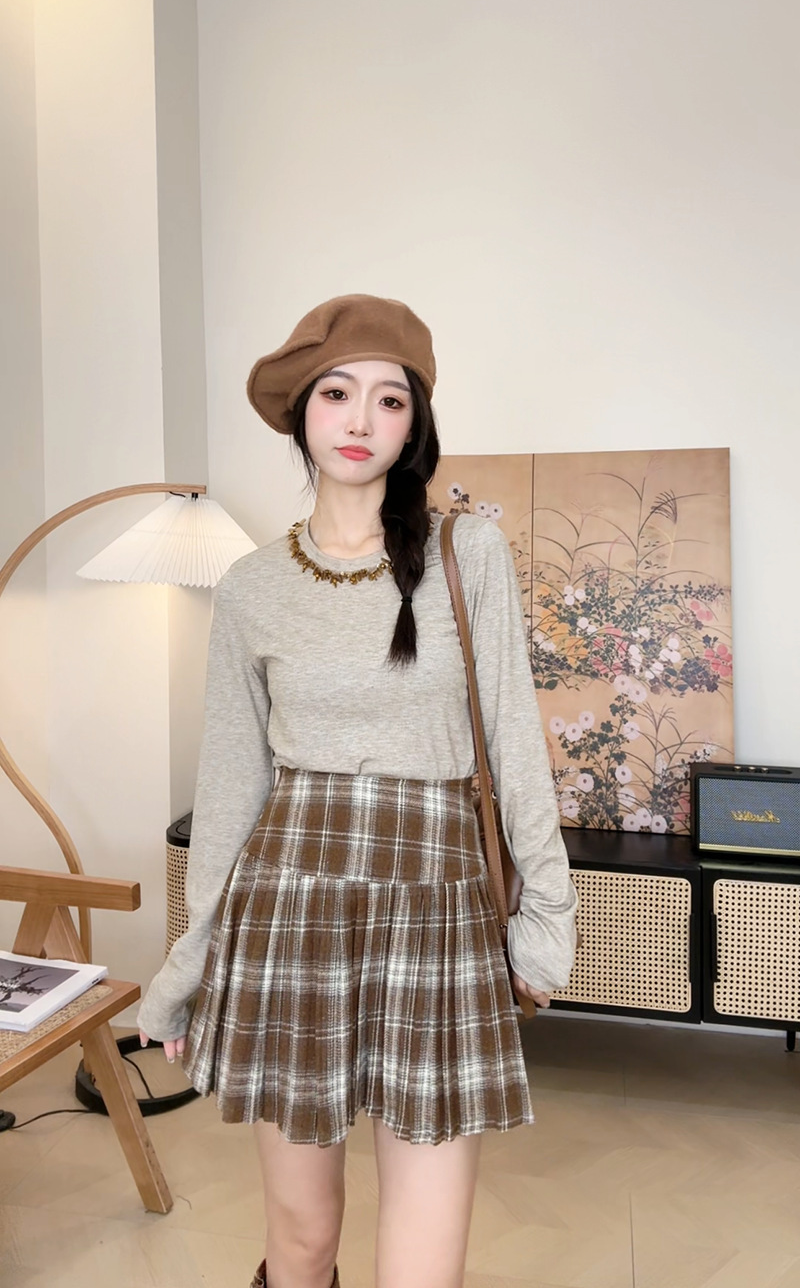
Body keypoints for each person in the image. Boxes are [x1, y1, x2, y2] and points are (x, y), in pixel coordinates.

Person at [137, 293, 578, 1288]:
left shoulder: (469, 555)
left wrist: (545, 920)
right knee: (301, 1243)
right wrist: (185, 967)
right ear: (301, 411)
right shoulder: (251, 587)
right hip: (289, 909)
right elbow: (231, 787)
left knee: (422, 1267)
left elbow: (516, 749)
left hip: (436, 905)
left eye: (389, 399)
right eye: (336, 393)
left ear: (413, 424)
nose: (359, 419)